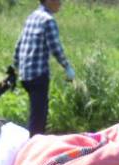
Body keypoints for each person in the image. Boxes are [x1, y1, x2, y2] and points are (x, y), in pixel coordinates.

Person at [12, 0, 75, 135]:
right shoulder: (48, 21)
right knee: (38, 118)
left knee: (35, 113)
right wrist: (67, 67)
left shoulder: (32, 16)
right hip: (38, 75)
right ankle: (33, 148)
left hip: (25, 75)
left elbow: (19, 43)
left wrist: (15, 66)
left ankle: (31, 142)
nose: (60, 3)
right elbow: (56, 49)